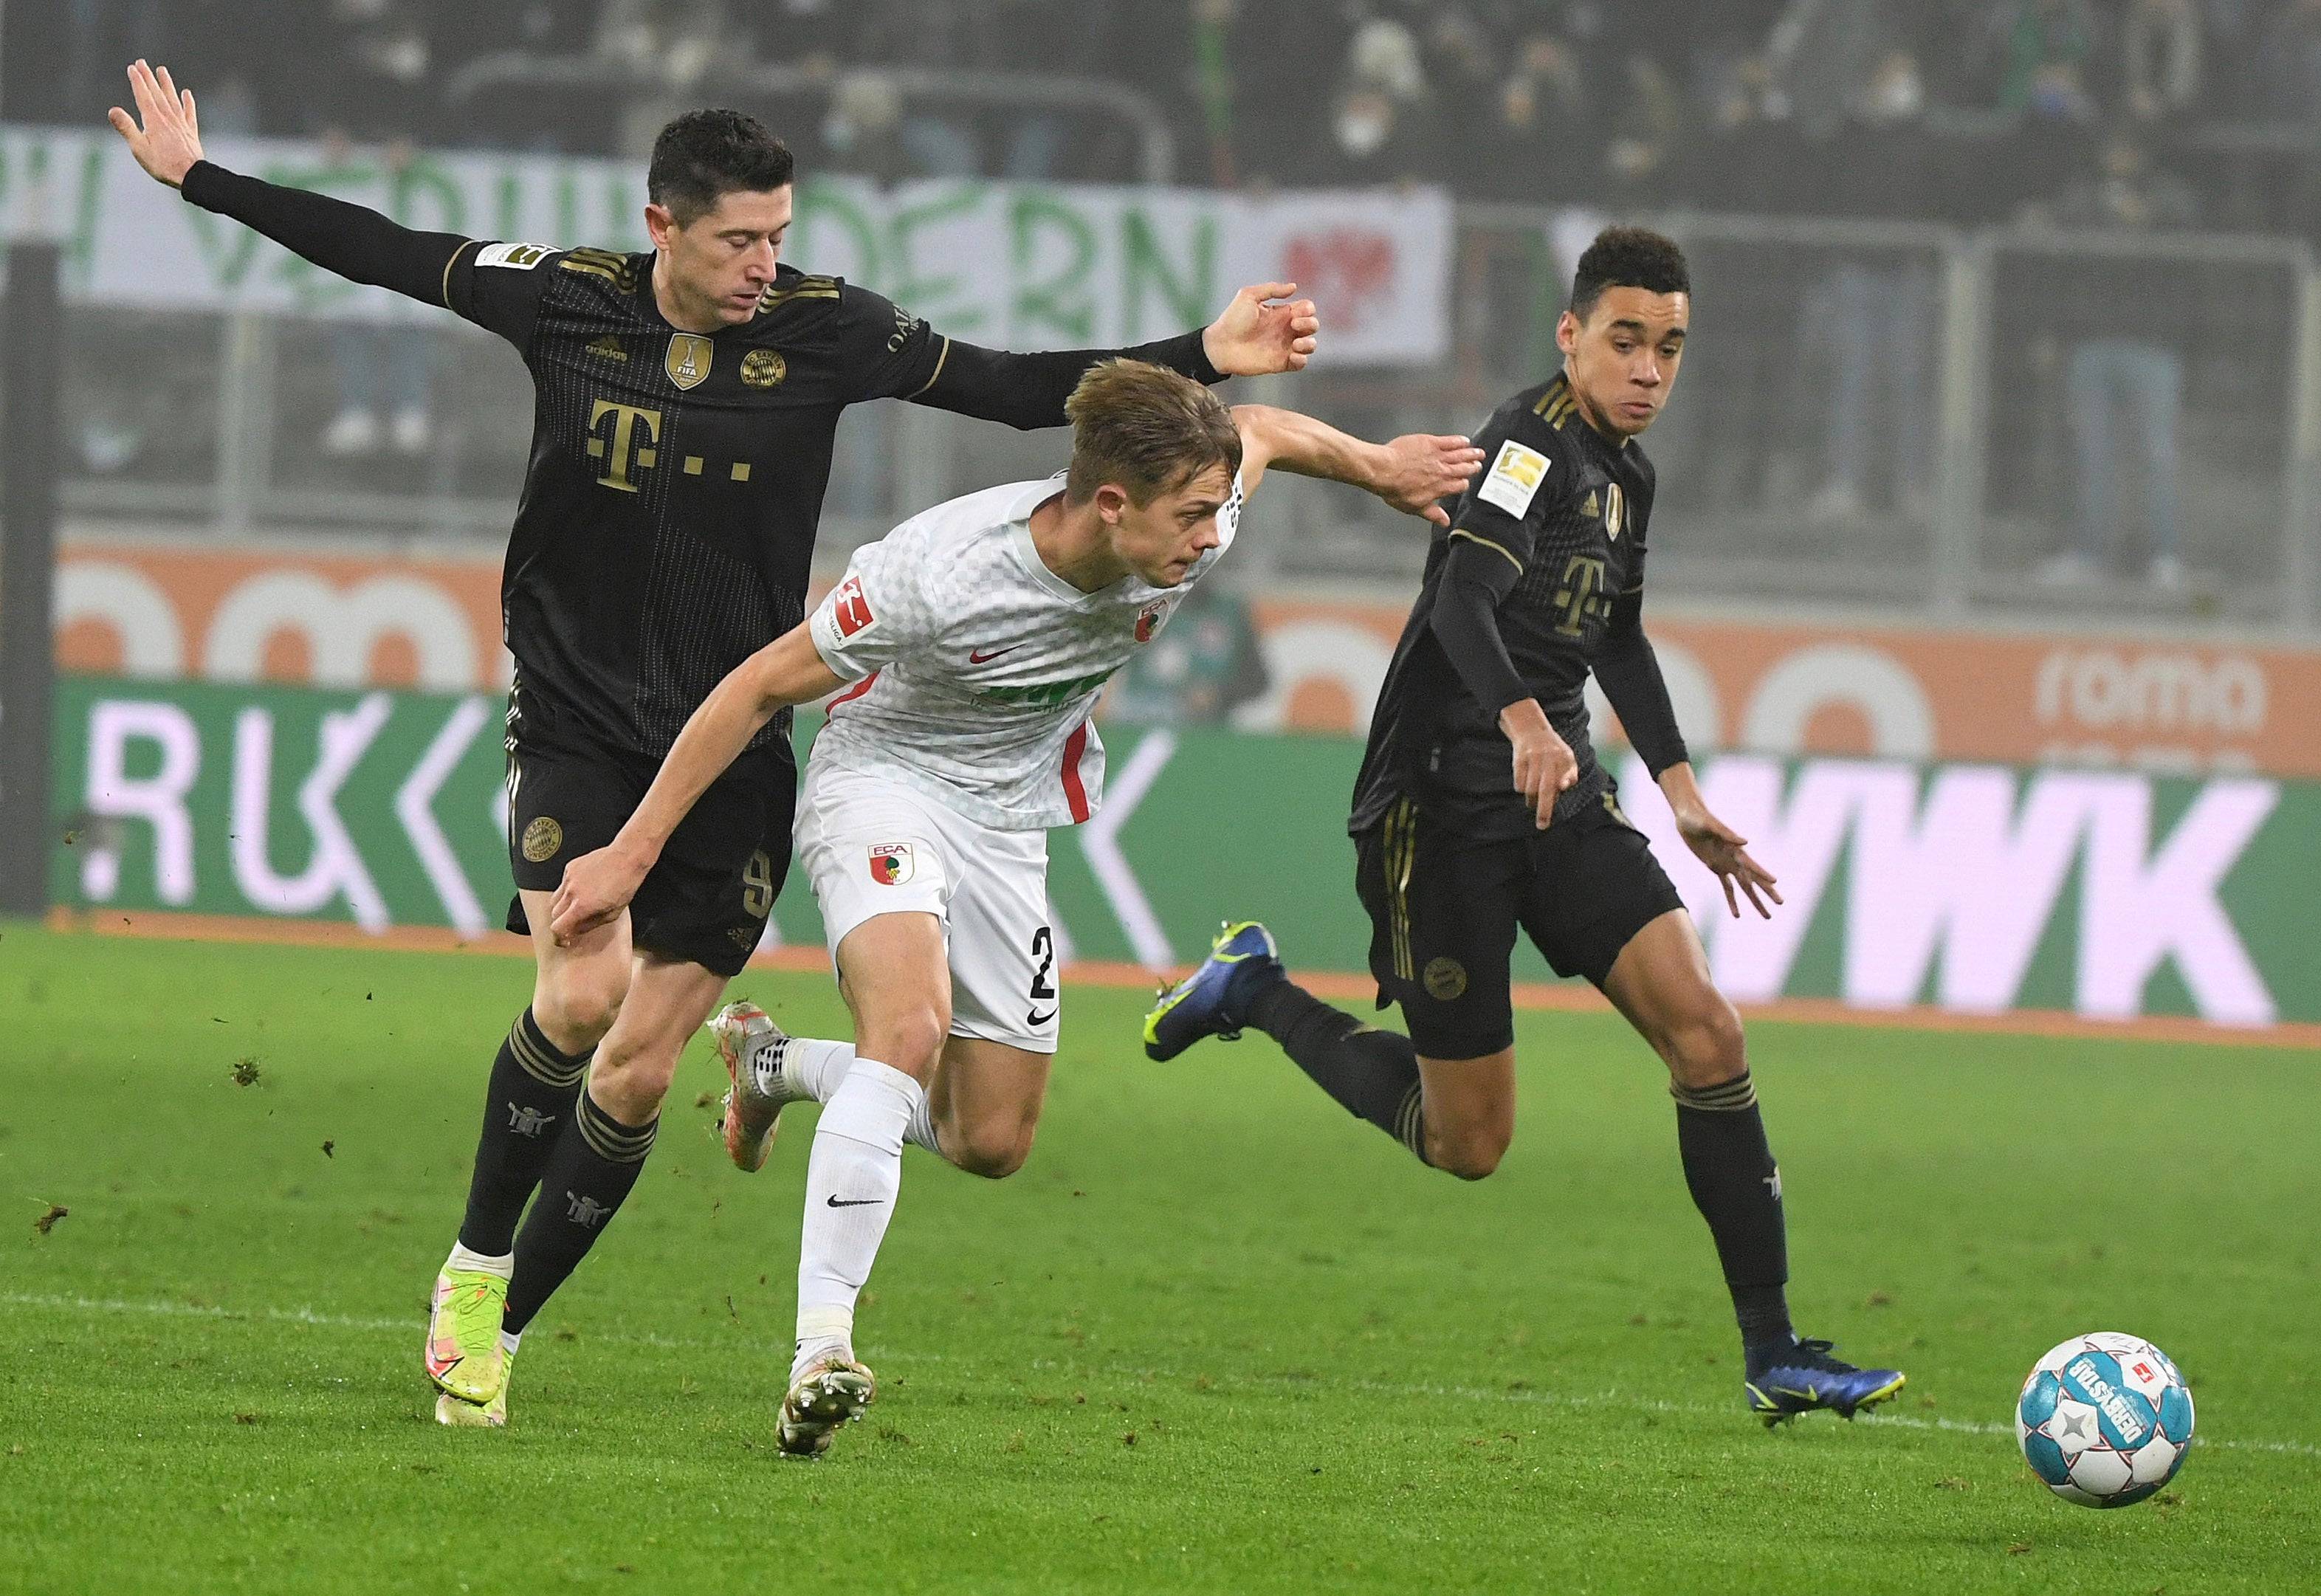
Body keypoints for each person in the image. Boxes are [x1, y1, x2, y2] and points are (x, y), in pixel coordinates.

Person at [109, 60, 1321, 1428]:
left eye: (779, 237)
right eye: (740, 239)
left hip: (737, 732)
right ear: (664, 225)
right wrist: (199, 178)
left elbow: (1004, 386)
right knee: (579, 998)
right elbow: (385, 253)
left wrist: (1201, 357)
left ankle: (499, 1330)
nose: (764, 264)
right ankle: (472, 1263)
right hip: (576, 718)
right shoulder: (563, 297)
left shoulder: (826, 330)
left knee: (634, 1067)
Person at [547, 360, 1482, 1456]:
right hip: (882, 781)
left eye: (1209, 510)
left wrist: (1379, 470)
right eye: (1185, 517)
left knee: (987, 1136)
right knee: (907, 1029)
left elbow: (1262, 425)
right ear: (1109, 505)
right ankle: (821, 1349)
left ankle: (777, 1066)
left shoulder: (1200, 511)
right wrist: (629, 852)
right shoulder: (936, 573)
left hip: (1007, 817)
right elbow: (759, 683)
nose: (1206, 540)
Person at [1143, 228, 1907, 1428]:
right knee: (1470, 1143)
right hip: (1441, 804)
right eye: (1626, 340)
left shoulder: (1629, 474)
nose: (1649, 369)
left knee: (1708, 1034)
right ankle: (1254, 990)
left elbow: (1618, 636)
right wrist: (1519, 718)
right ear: (1570, 334)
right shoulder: (1522, 450)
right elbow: (1460, 595)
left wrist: (1682, 790)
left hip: (1557, 790)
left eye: (1670, 348)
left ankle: (1776, 1350)